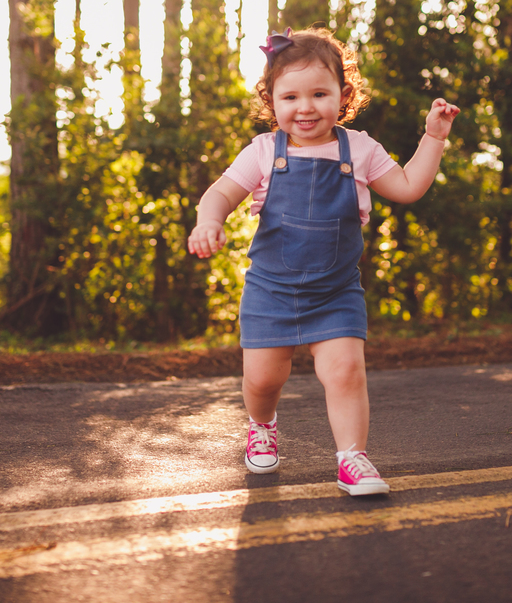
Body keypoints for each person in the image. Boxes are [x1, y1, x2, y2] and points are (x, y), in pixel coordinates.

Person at [187, 27, 459, 496]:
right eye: (290, 96)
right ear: (271, 102)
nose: (305, 106)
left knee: (346, 372)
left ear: (343, 95)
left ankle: (353, 458)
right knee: (262, 378)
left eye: (319, 93)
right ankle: (262, 423)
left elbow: (409, 187)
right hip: (271, 290)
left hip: (335, 293)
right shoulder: (264, 152)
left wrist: (433, 138)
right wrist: (207, 222)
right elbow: (221, 193)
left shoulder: (361, 150)